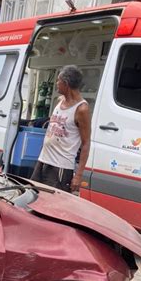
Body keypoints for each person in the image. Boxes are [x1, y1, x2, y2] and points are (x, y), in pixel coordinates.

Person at [31, 65, 91, 193]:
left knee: (52, 204)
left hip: (60, 167)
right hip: (43, 160)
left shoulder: (81, 109)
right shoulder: (60, 100)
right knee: (34, 195)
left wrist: (78, 175)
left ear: (66, 84)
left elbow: (86, 143)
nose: (56, 83)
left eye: (58, 80)